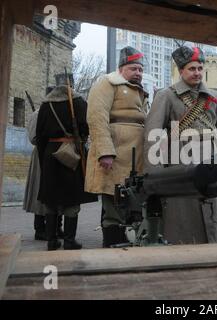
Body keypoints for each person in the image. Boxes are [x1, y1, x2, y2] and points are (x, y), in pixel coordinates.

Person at [144, 45, 217, 244]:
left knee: (214, 211)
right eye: (192, 68)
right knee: (183, 218)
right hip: (180, 165)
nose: (197, 73)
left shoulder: (215, 97)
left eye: (200, 68)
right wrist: (155, 173)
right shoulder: (166, 95)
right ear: (181, 71)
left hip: (212, 163)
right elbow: (152, 134)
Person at [85, 46, 149, 247]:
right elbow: (96, 117)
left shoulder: (140, 91)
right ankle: (112, 245)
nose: (138, 73)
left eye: (140, 69)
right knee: (113, 202)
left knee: (132, 199)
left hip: (135, 154)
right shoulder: (106, 83)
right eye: (133, 68)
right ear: (121, 68)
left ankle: (130, 243)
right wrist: (105, 151)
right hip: (114, 154)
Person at [36, 74, 98, 251]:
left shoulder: (46, 104)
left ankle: (51, 240)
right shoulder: (78, 102)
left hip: (50, 152)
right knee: (71, 199)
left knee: (51, 199)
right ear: (70, 85)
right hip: (71, 152)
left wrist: (44, 157)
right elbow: (86, 127)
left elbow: (40, 135)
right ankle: (69, 241)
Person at [23, 87, 64, 241]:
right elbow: (34, 137)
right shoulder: (38, 113)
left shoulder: (61, 112)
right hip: (42, 154)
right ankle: (40, 229)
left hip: (58, 154)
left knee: (58, 192)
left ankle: (55, 227)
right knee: (40, 192)